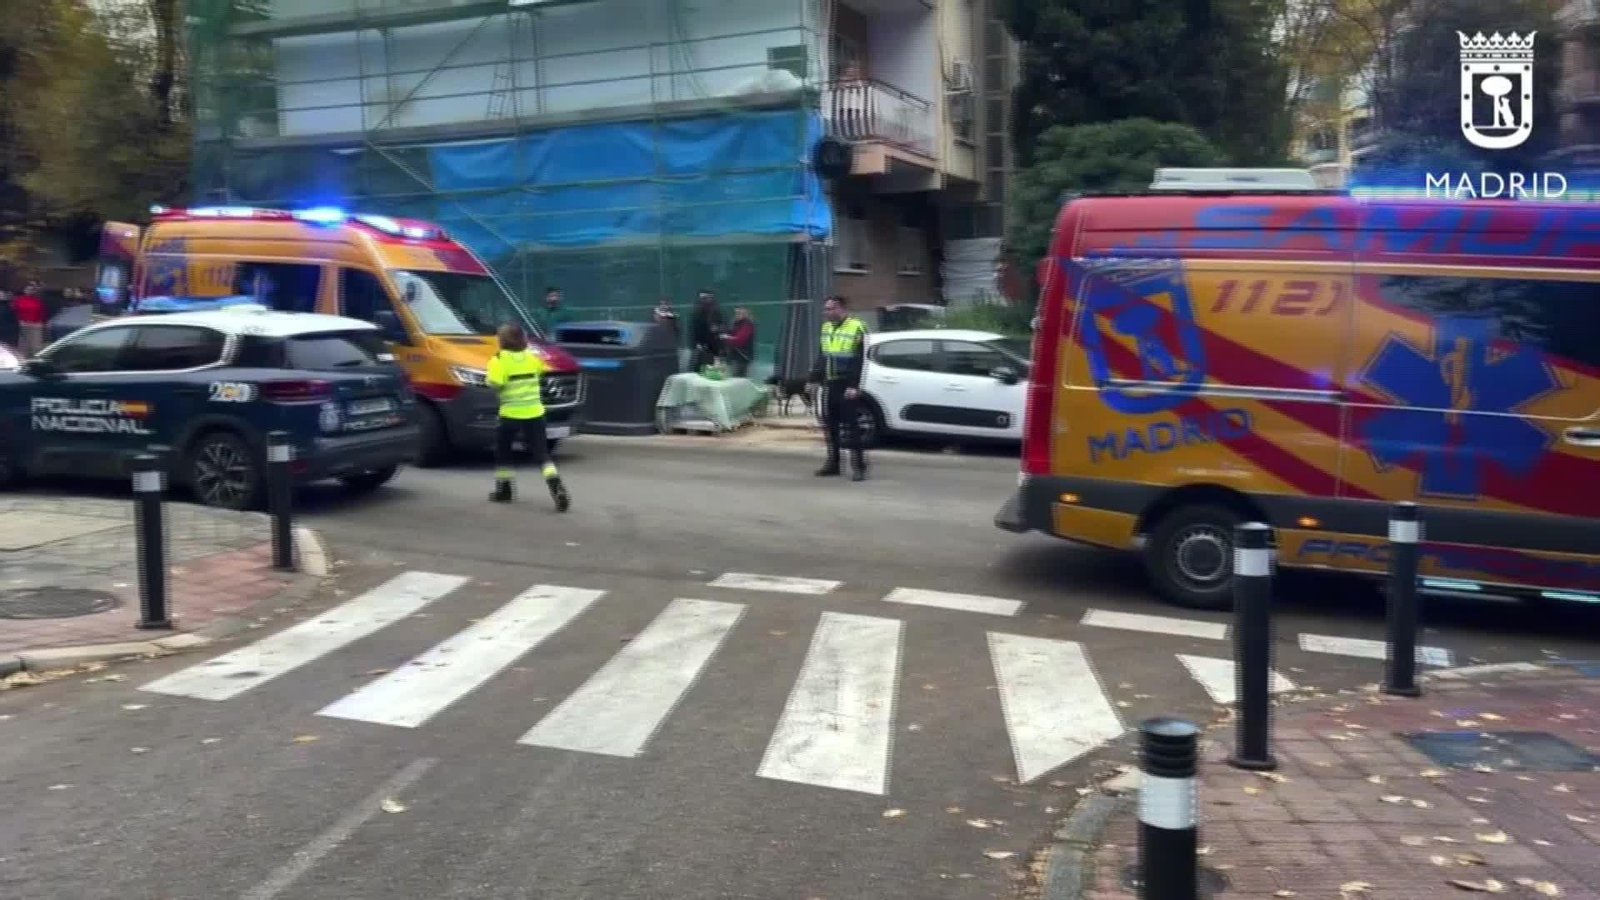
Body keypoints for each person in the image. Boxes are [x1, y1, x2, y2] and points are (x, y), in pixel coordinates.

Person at [486, 323, 571, 511]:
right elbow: (540, 373)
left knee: (503, 452)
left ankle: (504, 490)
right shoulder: (533, 358)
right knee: (542, 453)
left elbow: (495, 384)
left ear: (502, 340)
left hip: (510, 414)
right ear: (523, 339)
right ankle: (556, 485)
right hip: (535, 412)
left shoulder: (498, 360)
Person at [808, 295, 869, 481]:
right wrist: (813, 380)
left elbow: (861, 360)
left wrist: (854, 386)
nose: (826, 313)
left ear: (841, 309)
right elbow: (822, 356)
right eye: (825, 309)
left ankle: (859, 466)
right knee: (831, 426)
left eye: (829, 309)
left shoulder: (857, 327)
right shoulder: (826, 327)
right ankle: (833, 463)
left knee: (851, 426)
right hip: (831, 383)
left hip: (846, 384)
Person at [689, 289, 723, 372]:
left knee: (711, 369)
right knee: (697, 369)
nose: (706, 300)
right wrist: (696, 343)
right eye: (704, 298)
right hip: (700, 347)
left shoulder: (716, 312)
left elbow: (722, 326)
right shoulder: (696, 312)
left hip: (713, 347)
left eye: (708, 297)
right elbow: (692, 329)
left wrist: (717, 328)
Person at [13, 282, 45, 358]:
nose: (29, 291)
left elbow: (42, 311)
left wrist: (41, 322)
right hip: (23, 324)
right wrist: (18, 321)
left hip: (36, 324)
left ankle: (36, 359)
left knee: (36, 344)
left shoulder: (38, 300)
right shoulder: (18, 300)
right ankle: (23, 360)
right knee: (23, 344)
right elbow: (14, 311)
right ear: (24, 290)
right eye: (27, 289)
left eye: (31, 290)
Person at [722, 306, 755, 378]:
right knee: (732, 376)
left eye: (741, 313)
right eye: (737, 313)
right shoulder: (734, 323)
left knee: (738, 377)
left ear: (746, 314)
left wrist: (727, 338)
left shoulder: (748, 324)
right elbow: (729, 333)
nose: (738, 314)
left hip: (742, 356)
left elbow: (740, 340)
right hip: (733, 355)